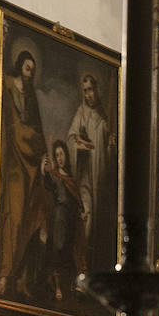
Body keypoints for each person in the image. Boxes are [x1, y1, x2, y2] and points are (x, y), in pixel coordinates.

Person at [0, 48, 51, 299]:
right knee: (14, 218)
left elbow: (36, 129)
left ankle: (19, 276)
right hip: (13, 162)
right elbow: (12, 125)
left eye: (33, 71)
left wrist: (42, 156)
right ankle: (5, 273)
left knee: (34, 217)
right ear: (20, 66)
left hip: (30, 164)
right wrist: (25, 137)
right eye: (27, 69)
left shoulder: (31, 96)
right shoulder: (7, 85)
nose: (29, 74)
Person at [65, 71, 115, 271]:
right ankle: (81, 262)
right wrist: (82, 144)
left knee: (101, 220)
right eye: (85, 91)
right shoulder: (81, 112)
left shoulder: (104, 115)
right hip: (85, 175)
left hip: (100, 176)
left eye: (91, 90)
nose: (88, 95)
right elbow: (71, 138)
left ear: (97, 90)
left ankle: (94, 264)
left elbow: (110, 148)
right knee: (87, 213)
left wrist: (110, 145)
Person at [40, 140, 86, 301]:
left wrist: (81, 212)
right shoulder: (54, 175)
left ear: (66, 154)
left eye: (62, 154)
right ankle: (57, 287)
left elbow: (76, 200)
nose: (60, 158)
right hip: (59, 217)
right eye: (57, 155)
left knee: (70, 251)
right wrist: (44, 171)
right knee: (58, 248)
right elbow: (47, 185)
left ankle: (70, 287)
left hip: (71, 218)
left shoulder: (70, 178)